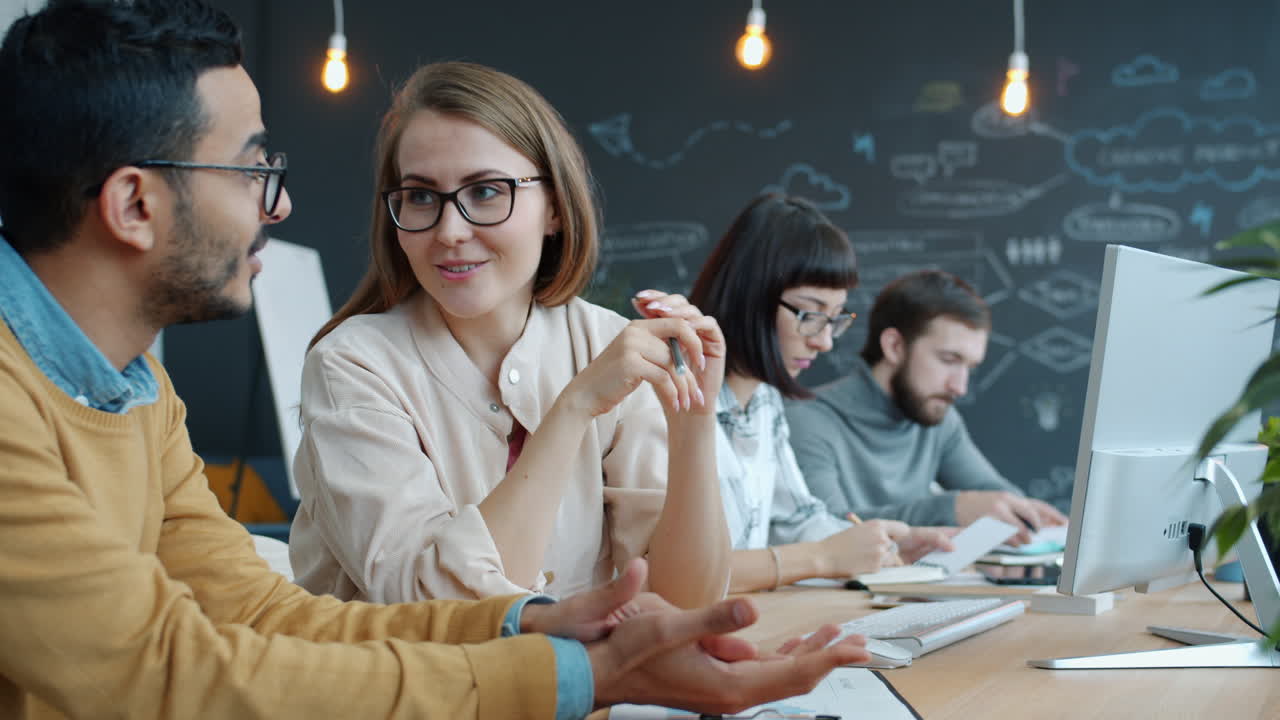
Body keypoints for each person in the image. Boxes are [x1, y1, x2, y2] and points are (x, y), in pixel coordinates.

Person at [0, 2, 869, 718]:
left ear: (555, 206)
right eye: (252, 169)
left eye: (487, 192)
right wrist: (577, 673)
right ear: (134, 204)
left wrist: (535, 622)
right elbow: (165, 671)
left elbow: (263, 614)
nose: (281, 202)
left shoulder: (138, 386)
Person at [288, 61, 730, 608]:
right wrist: (574, 409)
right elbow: (436, 610)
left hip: (572, 691)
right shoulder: (351, 365)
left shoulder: (606, 344)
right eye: (422, 196)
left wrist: (693, 425)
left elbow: (687, 603)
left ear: (555, 209)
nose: (450, 232)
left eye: (487, 191)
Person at [687, 194, 955, 593]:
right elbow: (679, 575)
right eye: (811, 315)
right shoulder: (672, 396)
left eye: (834, 319)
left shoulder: (764, 400)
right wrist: (829, 556)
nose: (825, 342)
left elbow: (797, 519)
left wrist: (882, 546)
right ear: (752, 295)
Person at [787, 270, 1066, 543]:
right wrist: (951, 509)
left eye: (969, 367)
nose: (960, 386)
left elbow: (989, 492)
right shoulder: (808, 420)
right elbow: (828, 533)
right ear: (894, 346)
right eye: (948, 359)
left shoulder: (939, 417)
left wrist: (1020, 511)